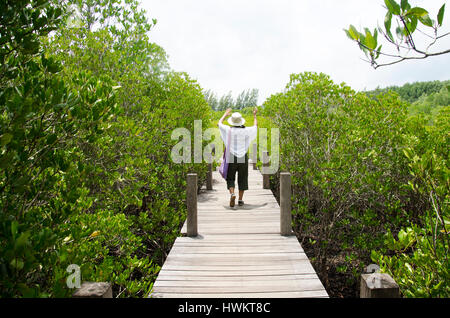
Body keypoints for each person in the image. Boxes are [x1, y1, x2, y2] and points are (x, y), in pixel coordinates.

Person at [218, 107, 258, 207]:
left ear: (232, 122)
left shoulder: (228, 130)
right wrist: (254, 115)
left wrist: (225, 114)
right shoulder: (246, 131)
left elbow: (219, 124)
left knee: (230, 177)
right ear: (240, 121)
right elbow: (255, 126)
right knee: (243, 178)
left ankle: (232, 194)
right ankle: (240, 200)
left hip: (231, 156)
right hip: (243, 157)